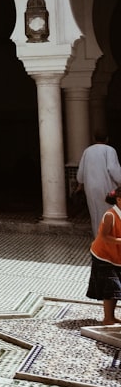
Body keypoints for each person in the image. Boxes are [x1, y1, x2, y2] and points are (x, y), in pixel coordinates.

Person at [86, 188, 121, 324]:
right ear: (118, 200)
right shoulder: (110, 215)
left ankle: (111, 317)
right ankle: (108, 318)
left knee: (116, 289)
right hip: (103, 255)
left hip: (117, 256)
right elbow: (104, 237)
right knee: (111, 286)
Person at [77, 133, 121, 237]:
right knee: (109, 212)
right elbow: (113, 169)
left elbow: (81, 172)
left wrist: (80, 183)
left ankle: (98, 238)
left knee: (95, 213)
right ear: (107, 138)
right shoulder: (109, 150)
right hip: (106, 186)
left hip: (90, 187)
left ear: (93, 138)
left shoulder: (87, 151)